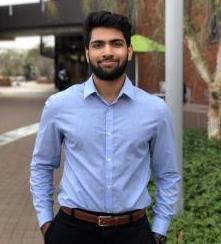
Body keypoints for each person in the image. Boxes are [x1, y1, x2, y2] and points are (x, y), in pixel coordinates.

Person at [30, 11, 181, 244]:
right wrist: (46, 223)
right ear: (88, 53)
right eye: (98, 44)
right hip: (71, 231)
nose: (108, 52)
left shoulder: (155, 110)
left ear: (129, 52)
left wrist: (159, 230)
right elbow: (42, 165)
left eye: (116, 44)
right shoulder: (59, 105)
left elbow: (168, 174)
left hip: (133, 234)